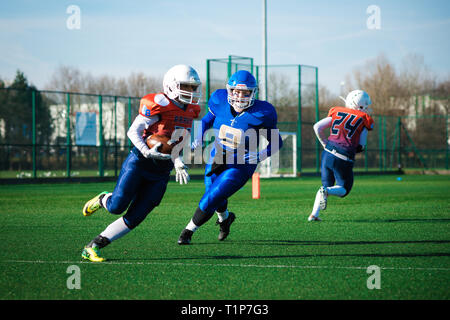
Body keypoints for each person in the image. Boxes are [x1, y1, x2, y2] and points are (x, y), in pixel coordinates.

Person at [81, 64, 202, 262]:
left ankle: (94, 246)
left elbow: (176, 143)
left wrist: (178, 161)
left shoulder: (191, 111)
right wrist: (146, 151)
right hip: (139, 162)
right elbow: (133, 131)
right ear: (171, 85)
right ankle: (104, 199)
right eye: (185, 86)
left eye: (192, 87)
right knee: (116, 206)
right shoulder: (159, 103)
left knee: (137, 215)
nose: (190, 91)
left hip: (162, 171)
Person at [178, 70, 283, 245]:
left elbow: (276, 142)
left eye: (245, 92)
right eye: (236, 91)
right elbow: (206, 121)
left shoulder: (263, 112)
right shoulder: (219, 100)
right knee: (212, 191)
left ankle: (187, 232)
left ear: (252, 93)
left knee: (211, 197)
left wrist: (259, 156)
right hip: (216, 156)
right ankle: (225, 219)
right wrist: (199, 137)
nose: (240, 96)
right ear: (229, 90)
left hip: (241, 163)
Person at [308, 89, 374, 222]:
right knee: (344, 188)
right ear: (360, 105)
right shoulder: (363, 119)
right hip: (343, 157)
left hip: (327, 154)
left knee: (326, 186)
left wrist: (325, 143)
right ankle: (325, 194)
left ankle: (313, 215)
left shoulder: (337, 112)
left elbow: (317, 127)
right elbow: (361, 145)